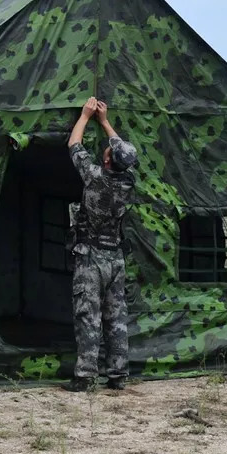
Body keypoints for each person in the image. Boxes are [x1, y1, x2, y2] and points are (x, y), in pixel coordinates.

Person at [63, 97, 137, 392]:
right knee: (116, 317)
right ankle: (118, 375)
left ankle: (85, 376)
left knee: (88, 315)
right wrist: (105, 122)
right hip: (116, 257)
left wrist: (85, 116)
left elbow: (74, 146)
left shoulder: (94, 178)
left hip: (91, 257)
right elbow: (122, 152)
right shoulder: (128, 182)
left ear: (106, 160)